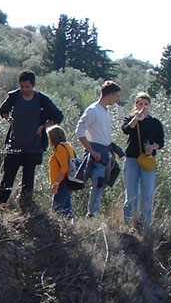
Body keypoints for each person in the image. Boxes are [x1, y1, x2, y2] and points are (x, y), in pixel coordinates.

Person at [0, 71, 63, 208]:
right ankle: (0, 206)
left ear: (34, 85)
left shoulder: (42, 99)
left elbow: (58, 116)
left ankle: (26, 207)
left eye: (28, 87)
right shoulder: (14, 96)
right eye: (22, 87)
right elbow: (3, 110)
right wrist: (9, 120)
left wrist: (43, 127)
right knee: (7, 178)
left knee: (28, 181)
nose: (25, 90)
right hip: (14, 145)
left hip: (33, 147)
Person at [75, 81, 122, 216]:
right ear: (110, 94)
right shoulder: (92, 110)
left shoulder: (105, 112)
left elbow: (104, 135)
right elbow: (79, 131)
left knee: (102, 183)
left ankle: (94, 212)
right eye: (116, 96)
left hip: (105, 152)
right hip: (96, 153)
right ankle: (92, 213)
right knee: (98, 181)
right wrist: (92, 152)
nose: (117, 99)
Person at [121, 91, 164, 228]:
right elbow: (126, 130)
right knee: (131, 193)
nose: (143, 107)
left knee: (148, 192)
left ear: (149, 106)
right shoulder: (130, 119)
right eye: (140, 104)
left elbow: (161, 142)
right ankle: (128, 224)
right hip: (131, 159)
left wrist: (153, 147)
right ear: (136, 105)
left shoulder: (155, 123)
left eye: (146, 104)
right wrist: (136, 118)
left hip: (147, 159)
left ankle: (146, 225)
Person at [47, 125, 78, 217]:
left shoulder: (60, 148)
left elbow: (64, 168)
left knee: (57, 210)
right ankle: (70, 228)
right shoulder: (67, 146)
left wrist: (56, 183)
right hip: (67, 181)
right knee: (66, 208)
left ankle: (59, 229)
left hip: (62, 182)